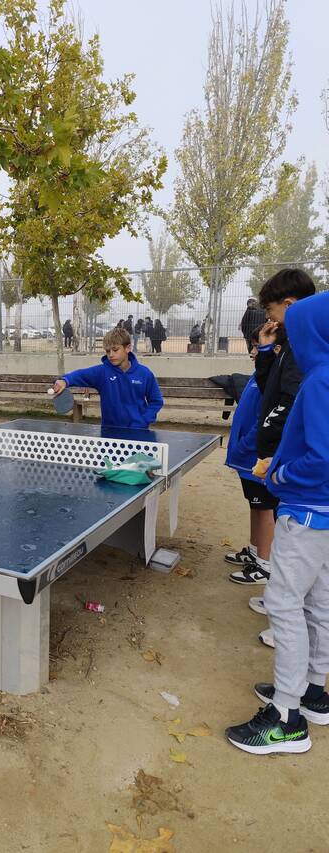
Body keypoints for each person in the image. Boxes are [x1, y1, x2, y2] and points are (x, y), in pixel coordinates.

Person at [226, 291, 329, 755]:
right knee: (320, 602)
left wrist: (280, 473)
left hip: (306, 510)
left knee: (284, 604)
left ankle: (286, 717)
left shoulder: (319, 381)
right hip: (324, 514)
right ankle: (311, 691)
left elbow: (320, 459)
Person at [229, 269, 316, 587]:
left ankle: (277, 585)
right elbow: (270, 393)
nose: (268, 318)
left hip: (289, 462)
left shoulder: (303, 351)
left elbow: (288, 403)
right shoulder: (288, 347)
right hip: (276, 456)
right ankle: (268, 568)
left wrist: (266, 439)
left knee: (292, 539)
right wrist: (265, 354)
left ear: (289, 305)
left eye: (270, 310)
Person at [224, 326, 279, 600]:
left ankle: (265, 565)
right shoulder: (259, 376)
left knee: (265, 508)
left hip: (255, 457)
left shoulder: (272, 380)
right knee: (255, 506)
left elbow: (264, 422)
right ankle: (255, 551)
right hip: (245, 457)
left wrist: (245, 445)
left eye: (257, 346)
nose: (252, 352)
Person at [53, 327, 163, 430]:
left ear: (128, 348)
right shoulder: (102, 372)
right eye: (107, 351)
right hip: (109, 433)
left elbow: (156, 401)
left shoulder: (144, 373)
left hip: (138, 433)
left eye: (115, 350)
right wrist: (64, 381)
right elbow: (80, 375)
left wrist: (143, 421)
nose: (111, 354)